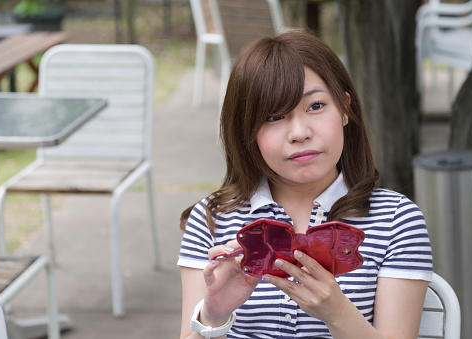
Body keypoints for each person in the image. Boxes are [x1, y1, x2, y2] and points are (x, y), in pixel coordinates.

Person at [178, 31, 432, 339]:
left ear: (345, 109)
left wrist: (336, 312)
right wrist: (213, 317)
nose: (299, 132)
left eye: (315, 106)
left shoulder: (397, 220)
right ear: (248, 132)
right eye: (274, 116)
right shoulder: (213, 218)